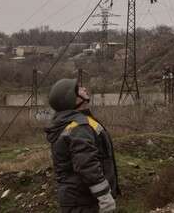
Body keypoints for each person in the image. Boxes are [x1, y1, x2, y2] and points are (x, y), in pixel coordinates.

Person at [45, 79, 120, 212]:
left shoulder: (76, 122)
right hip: (84, 202)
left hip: (80, 199)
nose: (84, 89)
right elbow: (86, 164)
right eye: (79, 89)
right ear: (72, 99)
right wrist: (104, 196)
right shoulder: (79, 127)